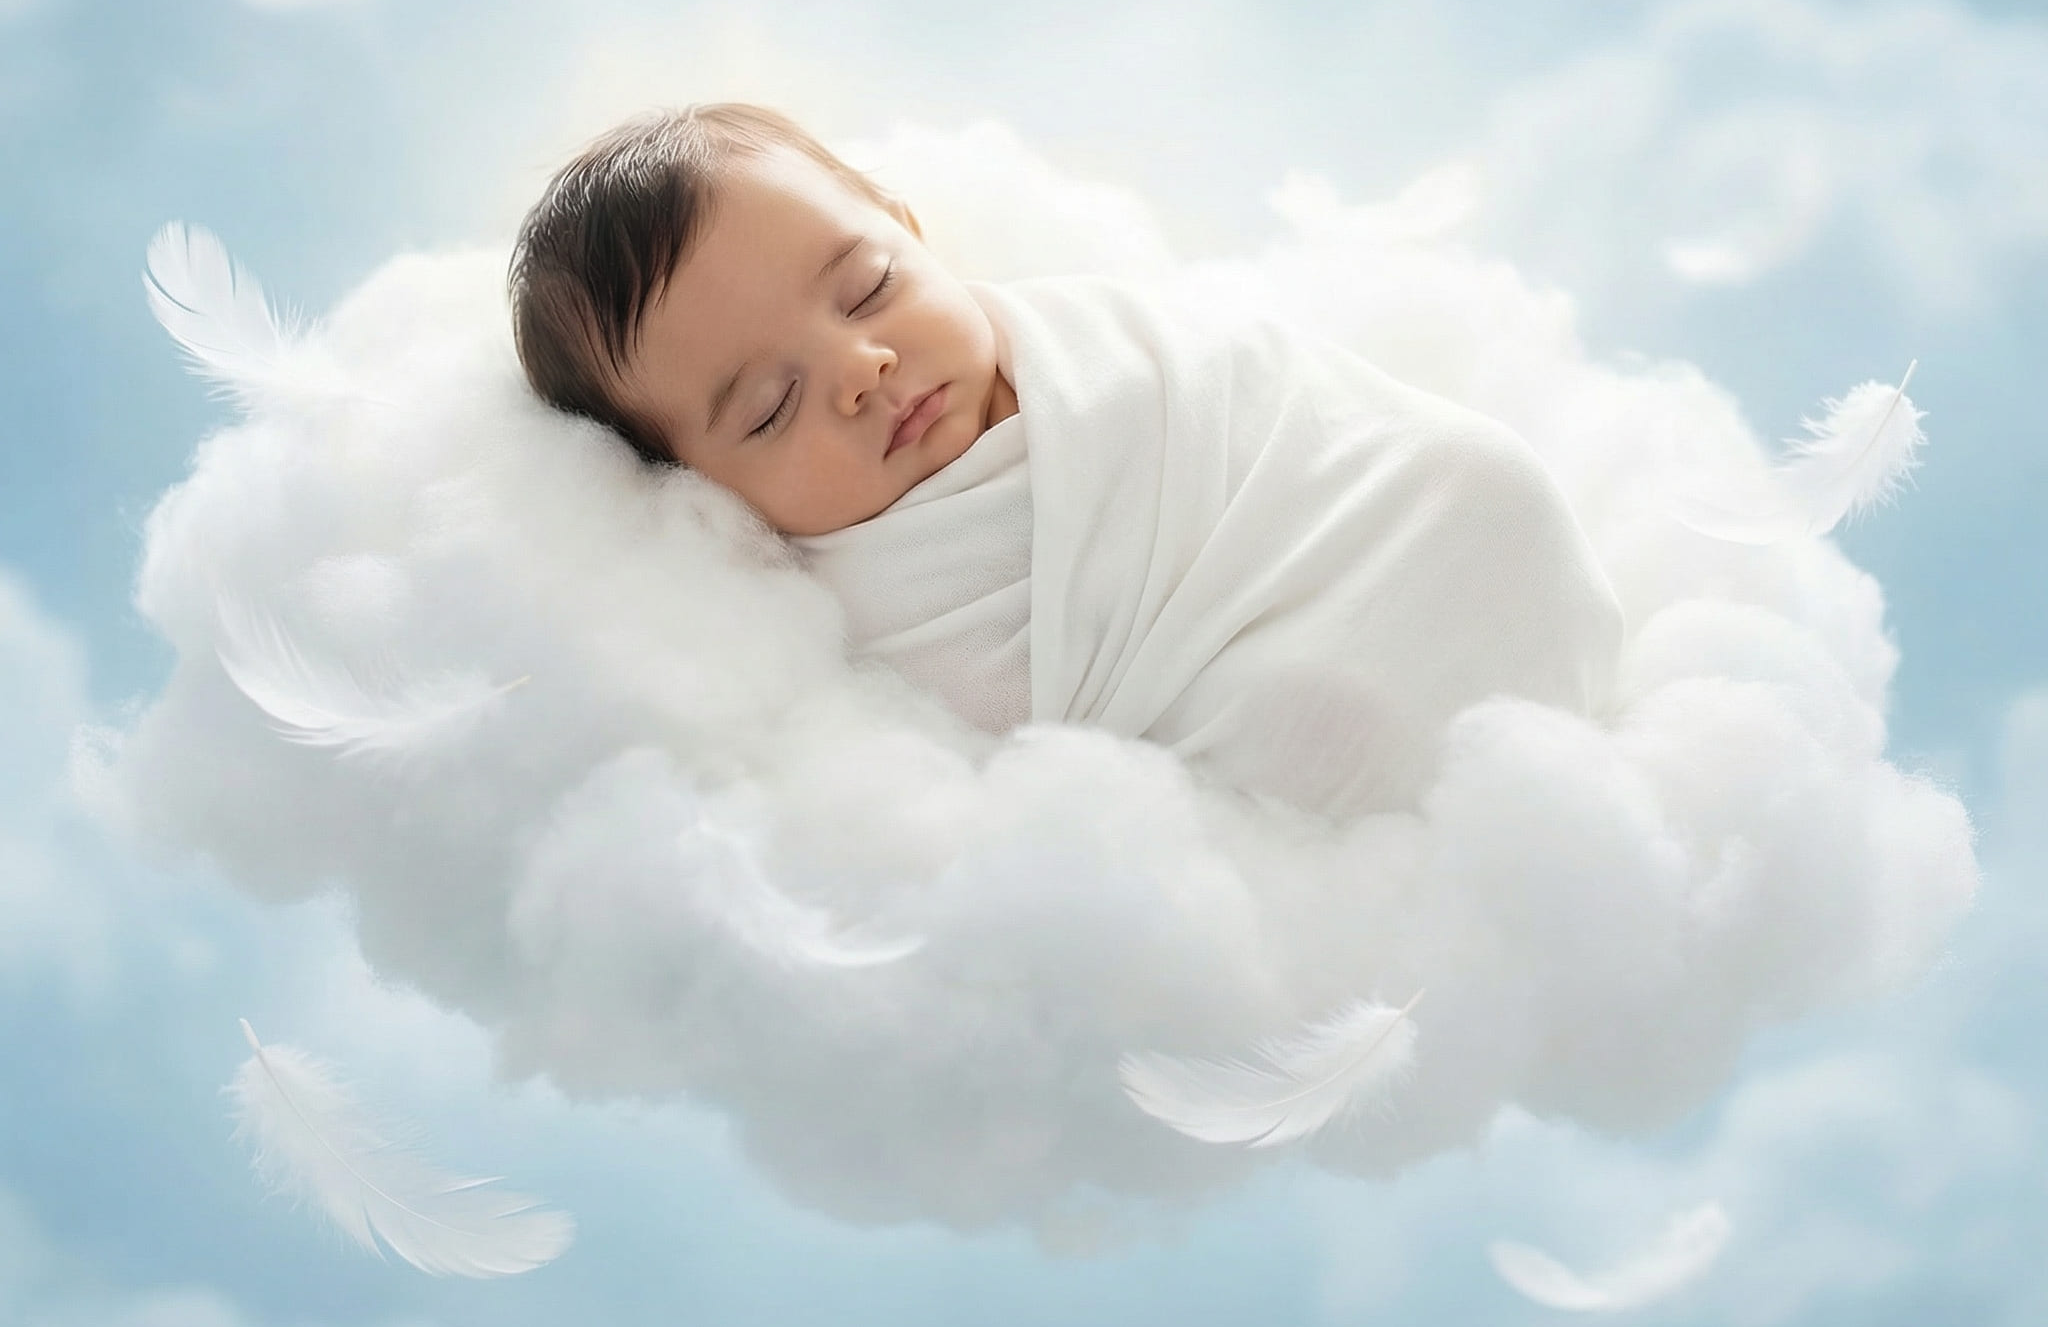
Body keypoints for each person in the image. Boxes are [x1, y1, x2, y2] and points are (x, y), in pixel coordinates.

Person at [510, 104, 1623, 816]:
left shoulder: (1098, 338)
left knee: (1485, 485)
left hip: (1390, 523)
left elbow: (1289, 415)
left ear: (908, 224)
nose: (861, 365)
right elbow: (997, 771)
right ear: (696, 488)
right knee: (1307, 717)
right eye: (768, 406)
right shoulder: (854, 607)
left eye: (866, 286)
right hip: (1253, 709)